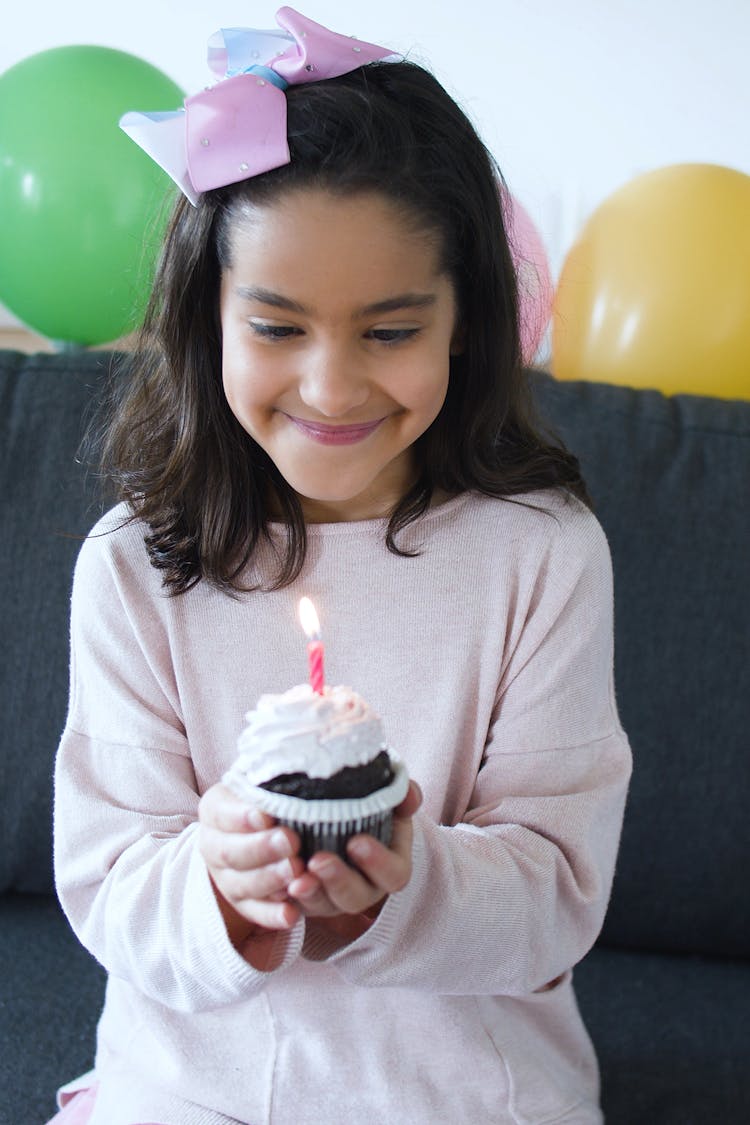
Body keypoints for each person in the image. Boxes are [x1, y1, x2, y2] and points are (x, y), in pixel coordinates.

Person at [50, 8, 632, 1124]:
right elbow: (112, 886)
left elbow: (559, 894)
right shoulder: (133, 566)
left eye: (389, 331)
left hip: (468, 1091)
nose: (329, 388)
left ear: (464, 321)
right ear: (207, 319)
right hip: (191, 1089)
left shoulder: (541, 553)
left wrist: (401, 887)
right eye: (277, 328)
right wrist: (219, 881)